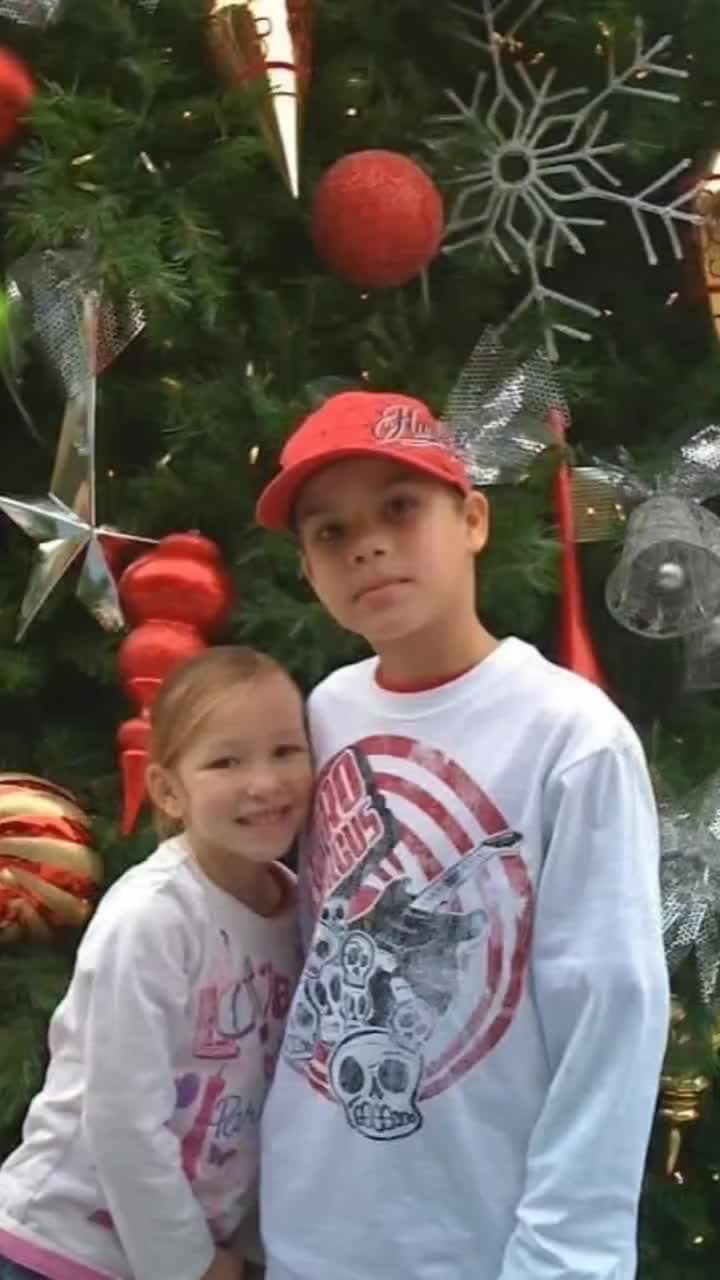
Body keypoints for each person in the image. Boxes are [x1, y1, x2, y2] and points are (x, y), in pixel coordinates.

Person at [255, 391, 670, 1280]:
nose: (367, 545)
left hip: (478, 1245)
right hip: (308, 1232)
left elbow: (611, 1018)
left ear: (473, 520)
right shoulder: (324, 711)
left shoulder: (572, 737)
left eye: (400, 508)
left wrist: (566, 1258)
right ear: (309, 569)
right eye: (330, 532)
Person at [0, 646, 312, 1280]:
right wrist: (189, 1266)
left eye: (286, 750)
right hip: (62, 1248)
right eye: (226, 761)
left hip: (182, 1247)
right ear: (169, 790)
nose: (265, 782)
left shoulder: (299, 909)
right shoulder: (152, 918)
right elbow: (122, 1118)